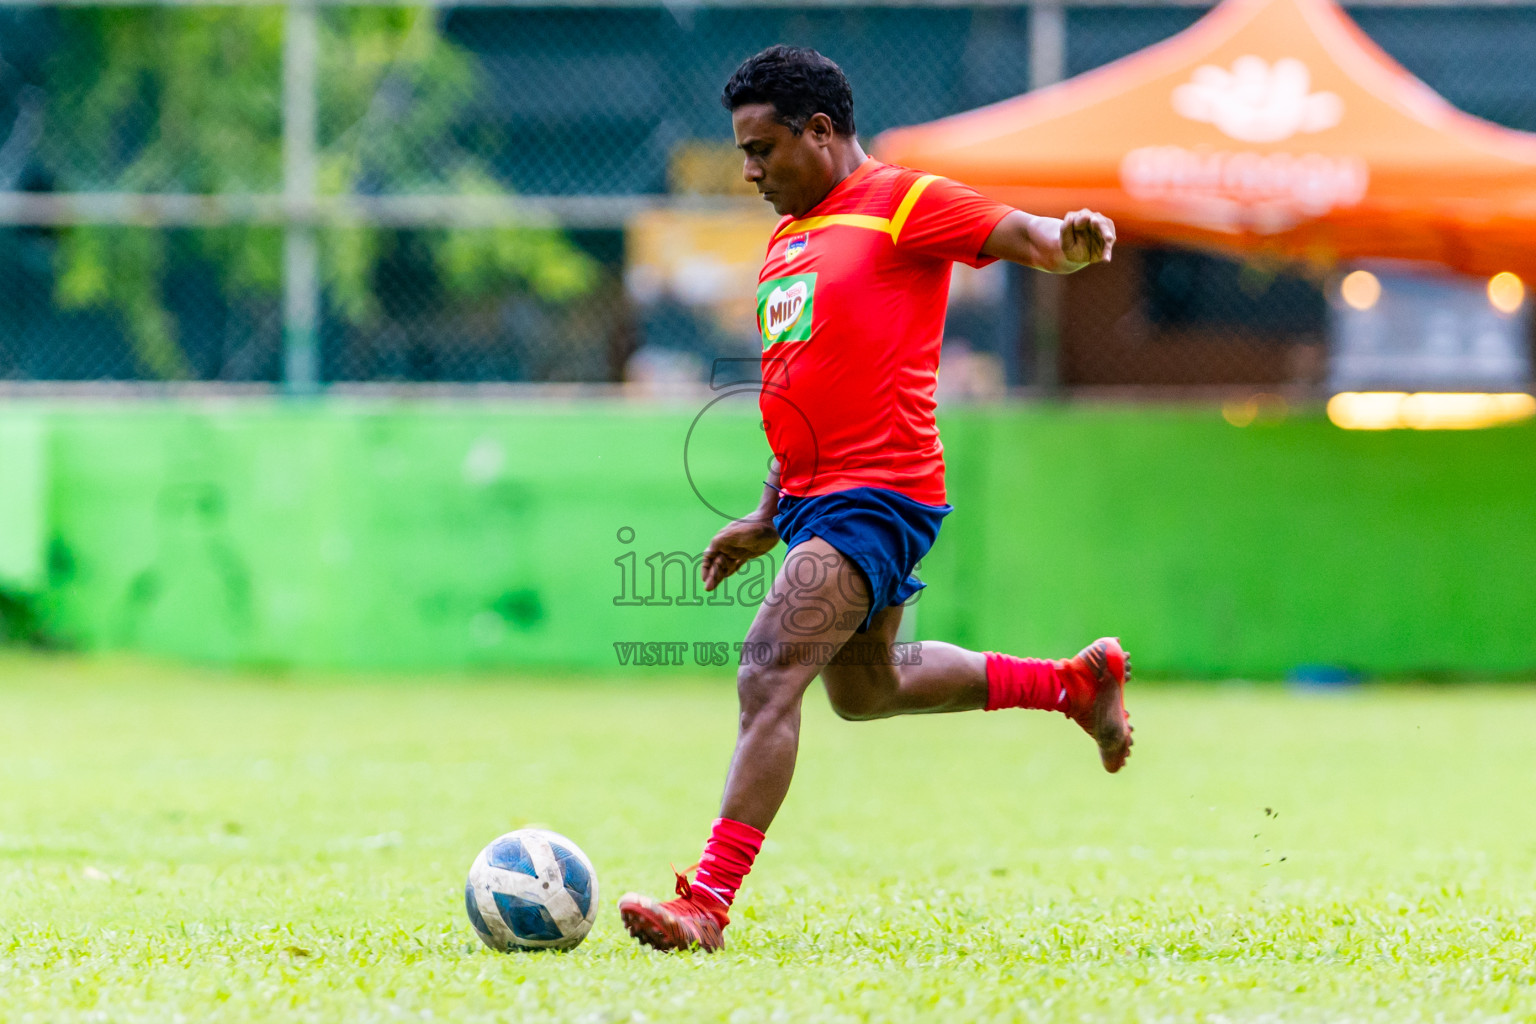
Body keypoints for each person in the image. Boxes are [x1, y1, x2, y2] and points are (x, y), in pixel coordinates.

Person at [618, 45, 1129, 952]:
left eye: (762, 148)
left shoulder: (907, 202)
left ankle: (707, 903)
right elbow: (800, 386)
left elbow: (1028, 237)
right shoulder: (785, 243)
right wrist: (768, 516)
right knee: (867, 689)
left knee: (769, 669)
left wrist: (1069, 244)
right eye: (742, 151)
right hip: (815, 499)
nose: (749, 170)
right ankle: (1071, 685)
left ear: (819, 131)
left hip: (880, 494)